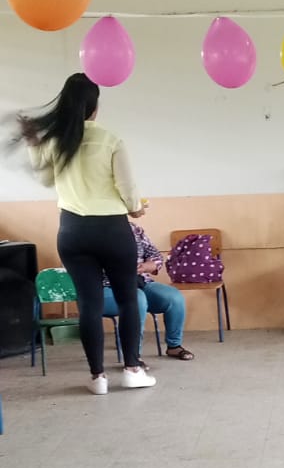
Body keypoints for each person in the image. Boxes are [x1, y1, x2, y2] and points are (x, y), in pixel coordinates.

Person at [15, 73, 155, 395]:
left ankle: (97, 378)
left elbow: (46, 180)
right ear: (95, 107)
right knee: (128, 299)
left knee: (89, 304)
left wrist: (33, 144)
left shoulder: (57, 141)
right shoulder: (110, 140)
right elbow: (127, 187)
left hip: (73, 231)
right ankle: (132, 370)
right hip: (112, 229)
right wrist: (135, 208)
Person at [103, 221, 194, 361]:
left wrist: (147, 266)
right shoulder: (92, 230)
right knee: (136, 299)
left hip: (140, 281)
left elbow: (155, 255)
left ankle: (174, 346)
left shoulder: (133, 228)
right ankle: (133, 356)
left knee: (174, 297)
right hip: (105, 287)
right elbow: (84, 265)